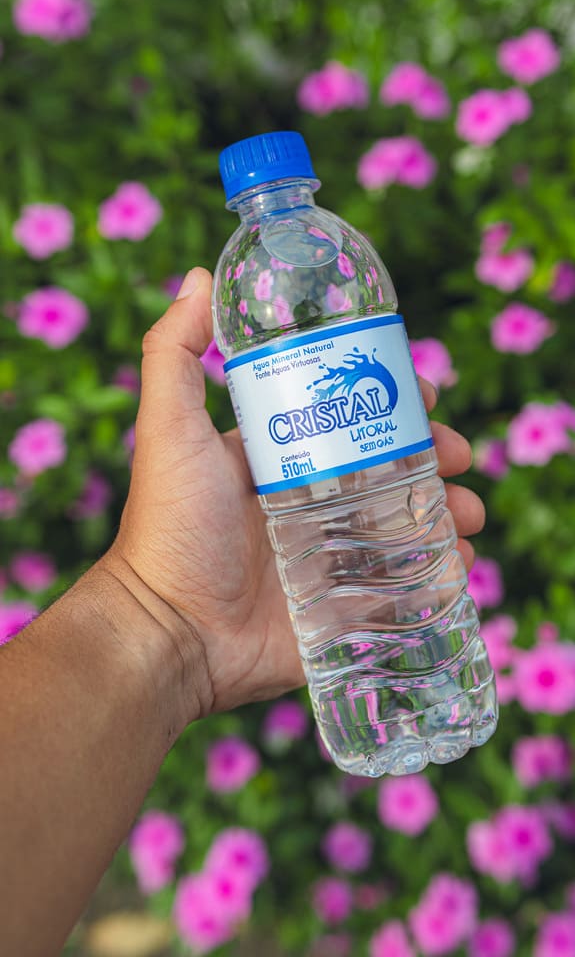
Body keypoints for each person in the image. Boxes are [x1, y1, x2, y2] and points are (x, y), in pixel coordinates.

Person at [0, 267, 486, 957]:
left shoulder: (293, 265)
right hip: (323, 580)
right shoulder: (256, 273)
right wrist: (162, 608)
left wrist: (159, 616)